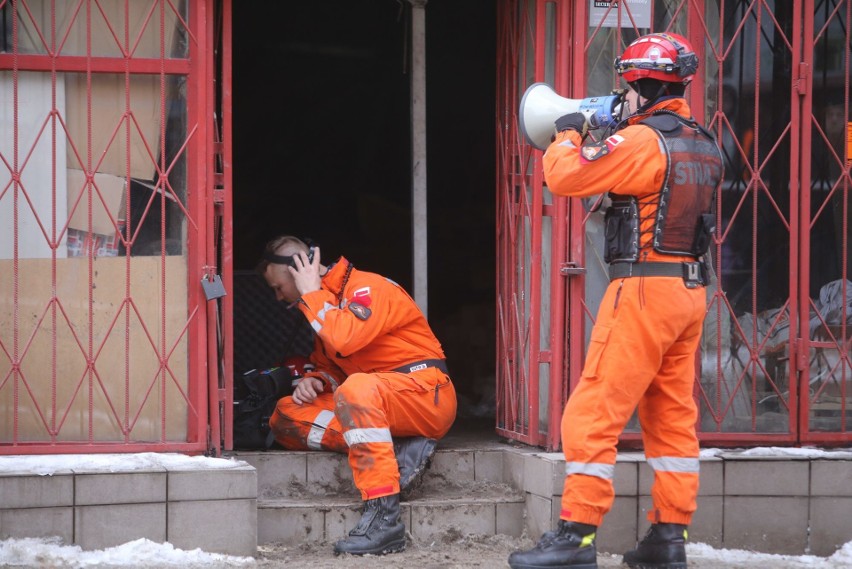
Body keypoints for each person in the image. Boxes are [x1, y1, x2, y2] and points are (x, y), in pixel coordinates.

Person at [508, 32, 723, 569]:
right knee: (673, 418)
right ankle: (668, 538)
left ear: (642, 85)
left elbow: (565, 176)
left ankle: (576, 537)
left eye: (626, 85)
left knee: (592, 411)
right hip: (690, 291)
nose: (621, 96)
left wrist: (565, 134)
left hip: (645, 292)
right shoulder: (701, 140)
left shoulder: (645, 141)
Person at [257, 235, 457, 556]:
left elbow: (345, 338)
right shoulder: (323, 303)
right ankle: (393, 452)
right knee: (285, 412)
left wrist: (311, 292)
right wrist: (317, 379)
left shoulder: (366, 288)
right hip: (376, 400)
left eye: (278, 287)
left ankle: (383, 520)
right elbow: (332, 364)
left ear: (299, 270)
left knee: (357, 388)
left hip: (424, 394)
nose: (279, 297)